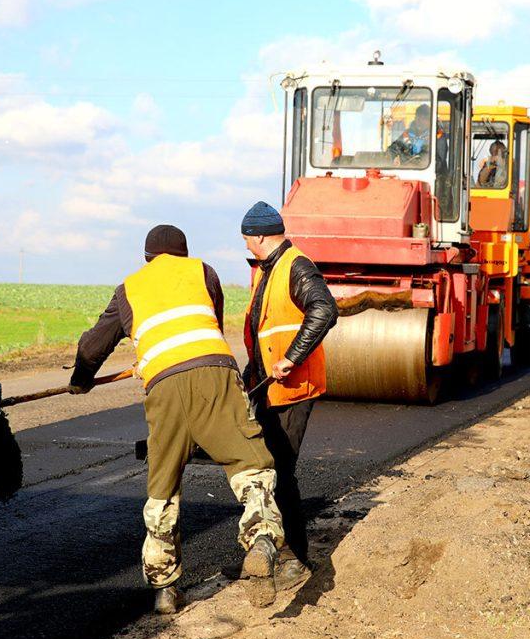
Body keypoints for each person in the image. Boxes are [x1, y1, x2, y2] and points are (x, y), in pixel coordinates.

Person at [68, 224, 285, 614]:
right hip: (215, 373)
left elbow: (92, 346)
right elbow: (209, 326)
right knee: (251, 463)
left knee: (163, 485)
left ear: (147, 258)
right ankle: (263, 541)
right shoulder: (203, 272)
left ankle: (165, 589)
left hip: (164, 386)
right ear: (183, 255)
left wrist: (81, 381)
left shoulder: (129, 288)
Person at [241, 202, 338, 591]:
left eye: (247, 238)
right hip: (270, 386)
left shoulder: (296, 266)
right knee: (269, 468)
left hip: (294, 386)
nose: (246, 245)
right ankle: (277, 555)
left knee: (281, 471)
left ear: (262, 235)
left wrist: (291, 359)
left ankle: (295, 558)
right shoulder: (269, 269)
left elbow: (325, 309)